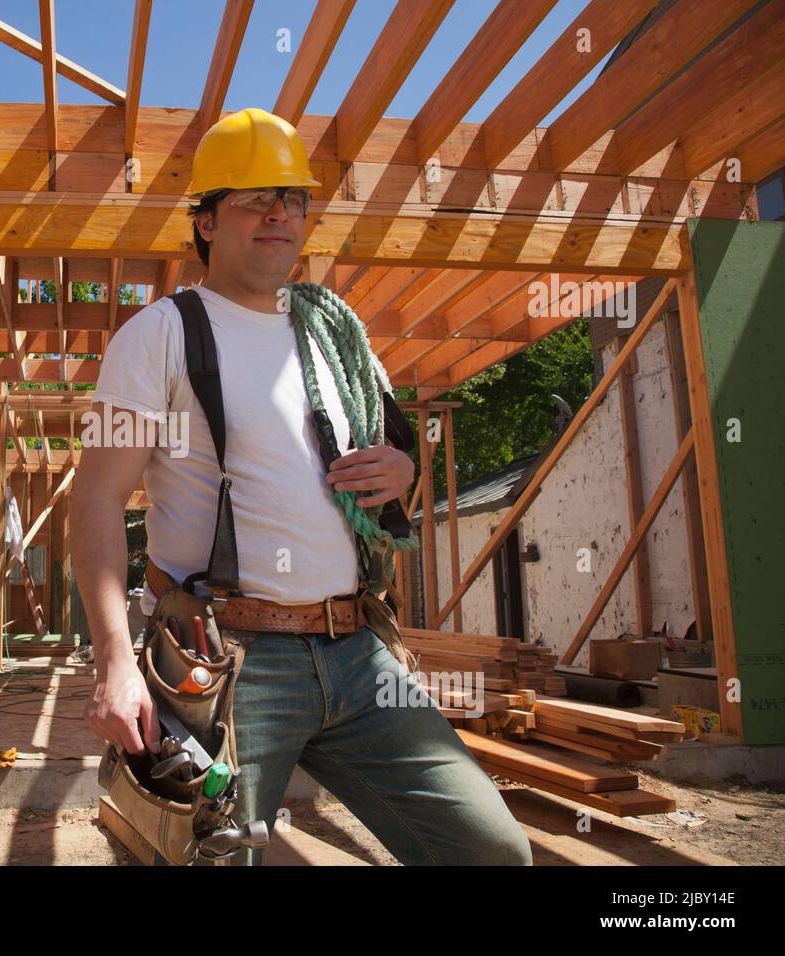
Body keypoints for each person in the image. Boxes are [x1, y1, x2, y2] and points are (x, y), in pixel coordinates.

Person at [72, 108, 532, 866]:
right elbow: (94, 500)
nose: (278, 213)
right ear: (207, 222)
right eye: (254, 198)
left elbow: (386, 472)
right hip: (228, 657)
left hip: (358, 651)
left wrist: (402, 473)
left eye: (291, 198)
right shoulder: (160, 335)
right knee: (207, 856)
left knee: (491, 853)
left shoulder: (331, 335)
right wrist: (116, 664)